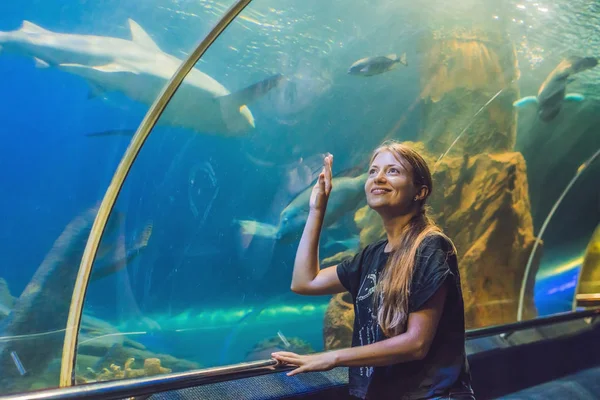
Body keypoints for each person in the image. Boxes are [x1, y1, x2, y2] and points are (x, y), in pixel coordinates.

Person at [271, 141, 475, 399]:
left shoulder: (431, 246)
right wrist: (316, 210)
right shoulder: (372, 256)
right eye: (373, 171)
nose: (378, 177)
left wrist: (332, 357)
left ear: (419, 192)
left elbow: (416, 344)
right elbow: (304, 282)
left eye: (393, 171)